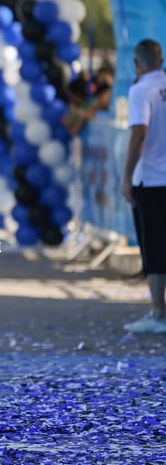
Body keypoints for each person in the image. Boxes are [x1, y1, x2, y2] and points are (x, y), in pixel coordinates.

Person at [122, 39, 166, 334]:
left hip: (151, 178)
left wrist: (126, 175)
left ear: (137, 64)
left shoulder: (141, 90)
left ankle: (158, 313)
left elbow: (140, 132)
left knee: (155, 248)